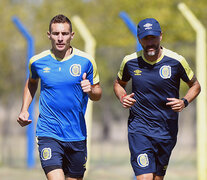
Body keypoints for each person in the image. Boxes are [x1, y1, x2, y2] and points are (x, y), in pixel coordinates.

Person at [113, 18, 201, 180]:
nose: (150, 42)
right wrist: (122, 96)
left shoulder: (176, 61)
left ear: (161, 36)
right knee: (145, 177)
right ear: (139, 39)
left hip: (166, 130)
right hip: (139, 129)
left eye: (153, 37)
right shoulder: (130, 61)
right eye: (146, 38)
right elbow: (119, 83)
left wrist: (184, 102)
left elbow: (195, 85)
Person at [17, 14, 102, 180]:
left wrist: (90, 89)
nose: (60, 38)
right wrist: (24, 109)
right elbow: (32, 82)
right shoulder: (37, 61)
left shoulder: (86, 61)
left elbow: (98, 94)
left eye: (64, 34)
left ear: (72, 35)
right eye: (56, 34)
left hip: (76, 134)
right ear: (49, 35)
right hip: (49, 132)